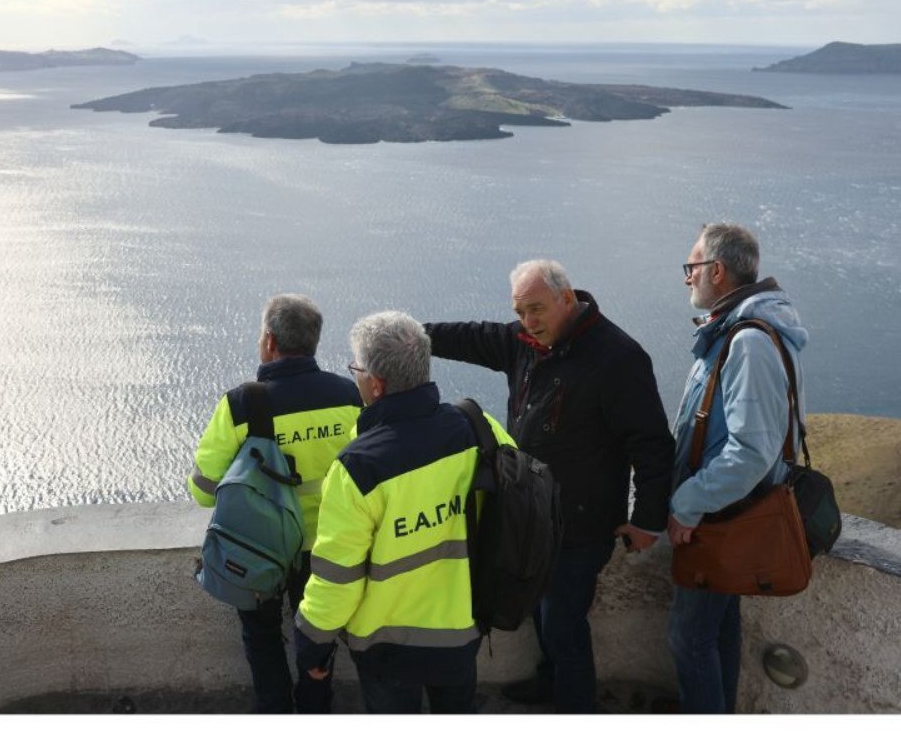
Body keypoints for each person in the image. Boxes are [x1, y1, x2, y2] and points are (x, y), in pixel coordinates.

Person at [424, 259, 675, 713]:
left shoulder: (618, 357)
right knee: (540, 609)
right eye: (520, 311)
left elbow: (653, 445)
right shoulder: (524, 340)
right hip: (533, 515)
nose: (528, 322)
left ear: (567, 298)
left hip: (584, 524)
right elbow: (471, 336)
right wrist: (410, 334)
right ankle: (549, 684)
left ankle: (574, 707)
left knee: (562, 624)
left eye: (536, 309)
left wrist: (648, 521)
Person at [294, 311, 516, 714]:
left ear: (375, 386)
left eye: (356, 370)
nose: (355, 377)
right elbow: (517, 504)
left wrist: (312, 641)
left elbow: (337, 578)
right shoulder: (478, 427)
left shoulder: (357, 468)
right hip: (462, 629)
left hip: (388, 647)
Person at [188, 293, 362, 714]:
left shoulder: (242, 404)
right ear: (315, 342)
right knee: (318, 632)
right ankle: (316, 706)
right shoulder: (350, 396)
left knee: (262, 634)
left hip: (261, 548)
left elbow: (203, 490)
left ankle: (275, 709)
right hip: (327, 547)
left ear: (269, 341)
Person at [667, 223, 808, 714]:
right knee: (716, 627)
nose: (688, 278)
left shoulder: (746, 341)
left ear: (717, 271)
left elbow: (750, 450)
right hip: (728, 512)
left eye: (692, 268)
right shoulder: (744, 329)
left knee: (690, 638)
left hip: (723, 517)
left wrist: (687, 505)